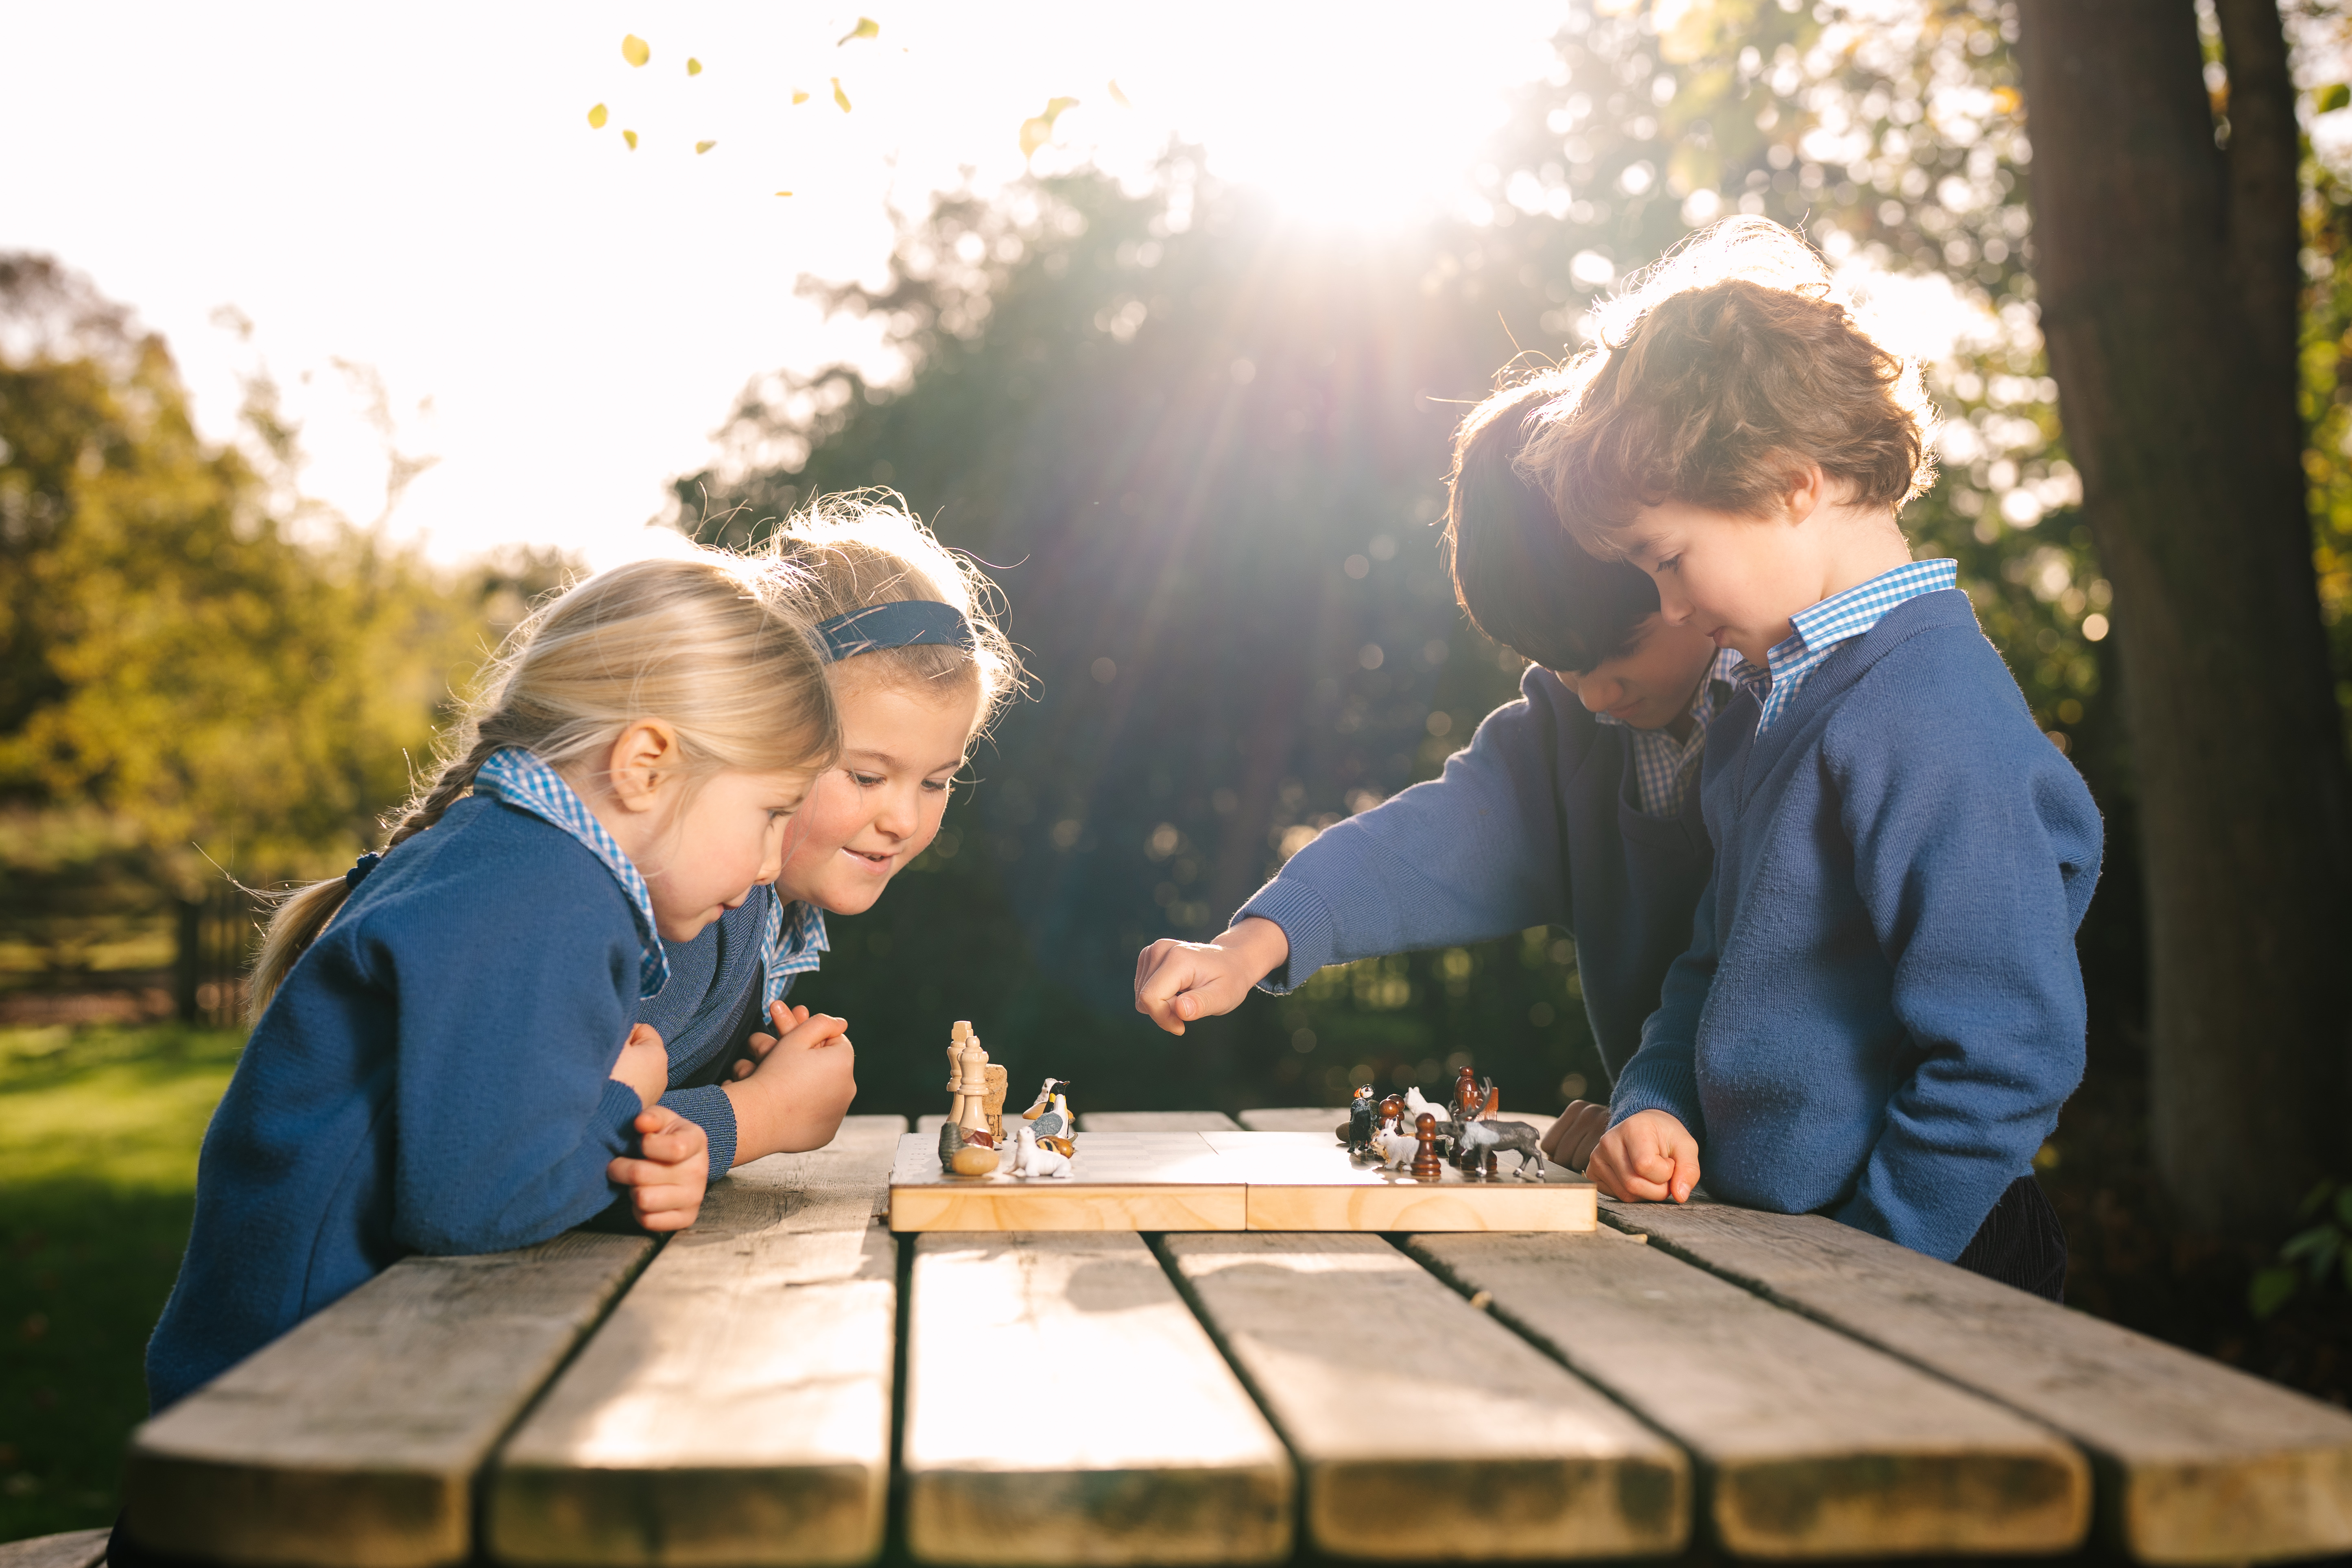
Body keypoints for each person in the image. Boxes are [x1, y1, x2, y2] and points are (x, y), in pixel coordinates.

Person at [1523, 217, 2101, 1299]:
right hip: (1790, 1244)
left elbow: (2005, 1053)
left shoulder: (1930, 714)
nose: (1669, 608)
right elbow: (1709, 963)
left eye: (1669, 559)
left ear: (1791, 485)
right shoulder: (1763, 702)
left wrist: (1866, 1265)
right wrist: (1653, 1103)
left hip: (1931, 1248)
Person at [139, 548, 841, 1424]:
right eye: (771, 813)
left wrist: (624, 1144)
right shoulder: (548, 893)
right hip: (294, 1410)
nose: (772, 863)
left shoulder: (510, 859)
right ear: (646, 764)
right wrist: (623, 1102)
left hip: (304, 1374)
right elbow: (478, 1200)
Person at [1134, 371, 1736, 1166]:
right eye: (1558, 664)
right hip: (1683, 1155)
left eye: (1614, 652)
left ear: (1670, 560)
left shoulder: (1788, 713)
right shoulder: (1564, 741)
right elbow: (1414, 849)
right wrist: (1246, 949)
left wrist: (1661, 1108)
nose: (1593, 694)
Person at [638, 493, 1024, 1174]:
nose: (903, 820)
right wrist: (757, 1115)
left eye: (935, 781)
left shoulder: (772, 914)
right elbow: (547, 1141)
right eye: (867, 777)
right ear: (763, 737)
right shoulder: (700, 912)